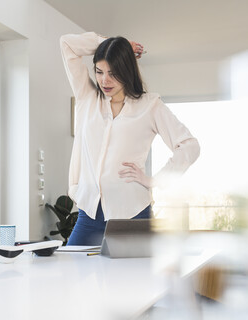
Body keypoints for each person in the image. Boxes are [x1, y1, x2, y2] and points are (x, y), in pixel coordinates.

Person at [60, 32, 200, 246]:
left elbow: (190, 146)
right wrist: (114, 45)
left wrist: (155, 181)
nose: (104, 80)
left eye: (113, 73)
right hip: (88, 215)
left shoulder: (150, 106)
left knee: (134, 279)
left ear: (127, 71)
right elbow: (67, 43)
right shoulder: (88, 98)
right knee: (70, 274)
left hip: (132, 215)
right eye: (99, 72)